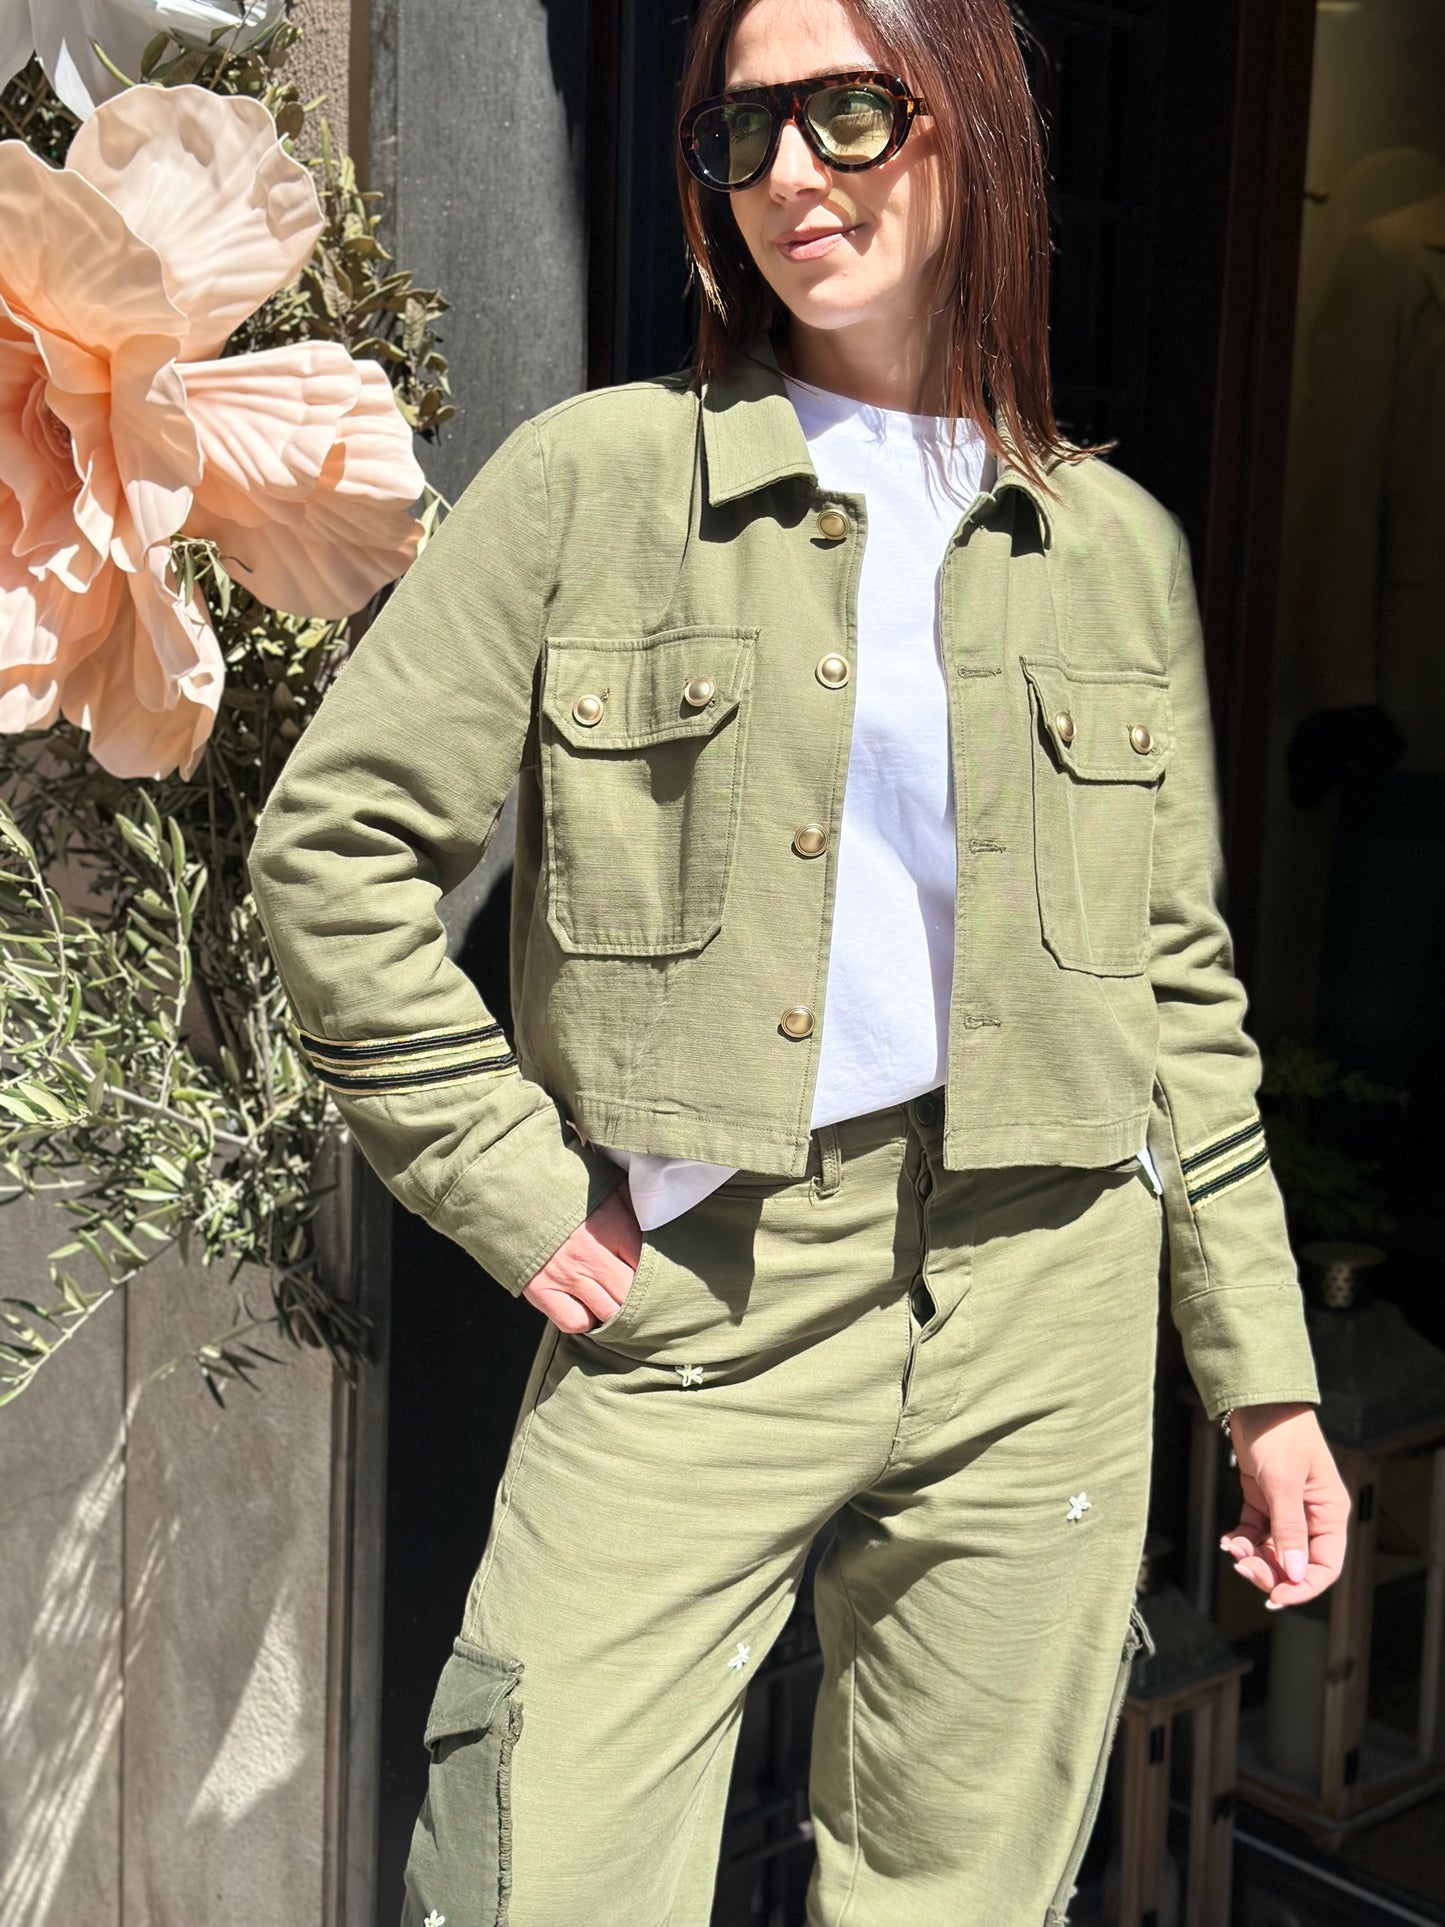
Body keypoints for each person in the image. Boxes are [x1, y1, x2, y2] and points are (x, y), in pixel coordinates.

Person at [246, 0, 1351, 1920]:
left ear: (969, 121)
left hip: (1048, 1299)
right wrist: (514, 1189)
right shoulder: (599, 480)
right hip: (707, 1281)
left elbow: (1180, 994)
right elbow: (332, 852)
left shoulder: (1115, 549)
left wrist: (1263, 1381)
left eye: (843, 111)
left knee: (957, 1892)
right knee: (533, 1872)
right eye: (735, 134)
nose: (785, 175)